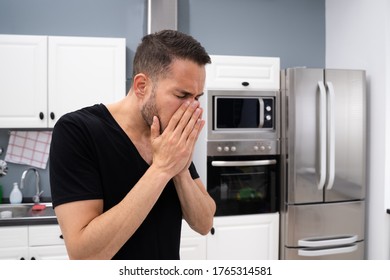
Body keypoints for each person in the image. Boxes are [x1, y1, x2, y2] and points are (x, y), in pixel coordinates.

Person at [49, 30, 216, 260]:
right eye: (182, 95)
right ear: (141, 86)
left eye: (197, 97)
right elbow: (83, 256)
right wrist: (161, 169)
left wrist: (181, 171)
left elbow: (204, 223)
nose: (192, 109)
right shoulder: (77, 130)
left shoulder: (171, 138)